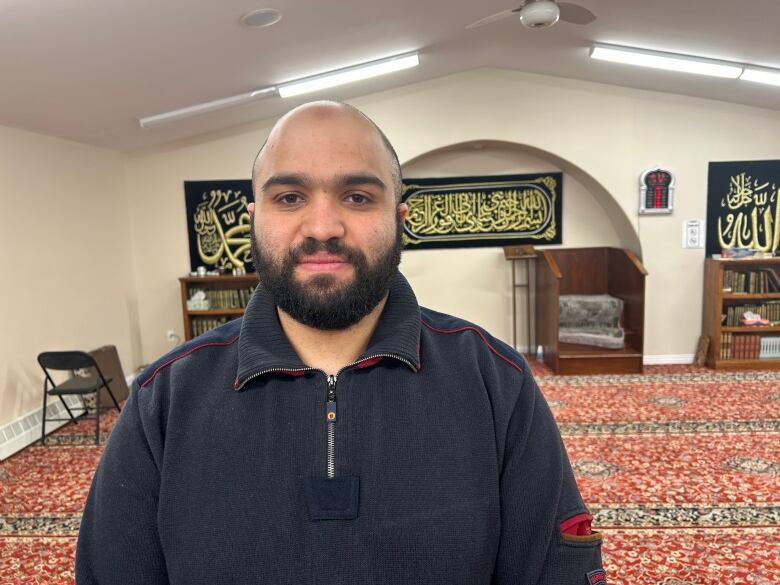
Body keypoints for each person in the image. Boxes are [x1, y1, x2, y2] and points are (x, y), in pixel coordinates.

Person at [76, 101, 605, 584]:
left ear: (400, 221)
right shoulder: (163, 401)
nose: (324, 226)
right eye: (290, 197)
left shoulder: (496, 383)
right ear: (255, 220)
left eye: (356, 196)